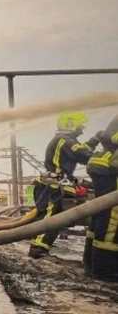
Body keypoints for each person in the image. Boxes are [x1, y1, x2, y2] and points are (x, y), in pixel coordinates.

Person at [29, 111, 100, 258]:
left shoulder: (64, 140)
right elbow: (84, 156)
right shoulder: (64, 140)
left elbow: (80, 151)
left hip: (53, 186)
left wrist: (94, 140)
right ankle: (37, 249)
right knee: (50, 218)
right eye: (80, 125)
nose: (83, 128)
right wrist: (102, 152)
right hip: (53, 188)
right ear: (70, 125)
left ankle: (40, 248)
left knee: (52, 217)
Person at [83, 114, 118, 281]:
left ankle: (90, 264)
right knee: (112, 216)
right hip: (112, 167)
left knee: (100, 213)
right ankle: (105, 271)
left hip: (104, 164)